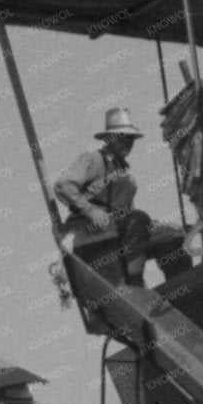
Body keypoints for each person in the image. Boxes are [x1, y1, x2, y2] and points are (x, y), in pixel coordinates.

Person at [53, 107, 157, 283]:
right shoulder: (93, 159)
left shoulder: (124, 171)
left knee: (171, 234)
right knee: (139, 219)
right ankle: (135, 284)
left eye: (130, 138)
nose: (128, 142)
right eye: (122, 137)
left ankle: (180, 289)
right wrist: (91, 211)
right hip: (91, 231)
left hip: (120, 228)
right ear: (109, 138)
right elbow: (63, 185)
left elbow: (129, 213)